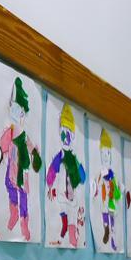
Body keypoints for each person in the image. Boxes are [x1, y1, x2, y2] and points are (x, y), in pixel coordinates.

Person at [0, 78, 41, 240]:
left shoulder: (23, 136)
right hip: (11, 168)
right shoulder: (10, 131)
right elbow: (1, 146)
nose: (15, 112)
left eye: (19, 109)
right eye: (13, 107)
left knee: (23, 194)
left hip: (23, 171)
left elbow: (31, 146)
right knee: (10, 187)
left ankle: (24, 223)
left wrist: (35, 153)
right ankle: (14, 214)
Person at [46, 104, 86, 247]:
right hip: (62, 192)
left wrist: (81, 174)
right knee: (63, 210)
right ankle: (64, 226)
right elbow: (53, 169)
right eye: (62, 131)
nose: (65, 136)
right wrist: (50, 183)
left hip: (73, 195)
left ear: (73, 135)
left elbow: (83, 176)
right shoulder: (61, 155)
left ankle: (72, 235)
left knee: (73, 216)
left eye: (68, 132)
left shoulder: (74, 158)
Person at [93, 128, 122, 250]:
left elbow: (117, 193)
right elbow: (96, 185)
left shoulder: (112, 175)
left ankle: (113, 239)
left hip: (111, 203)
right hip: (104, 201)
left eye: (108, 153)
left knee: (112, 219)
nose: (106, 156)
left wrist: (118, 190)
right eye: (103, 153)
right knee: (105, 214)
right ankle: (106, 228)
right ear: (100, 155)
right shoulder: (100, 173)